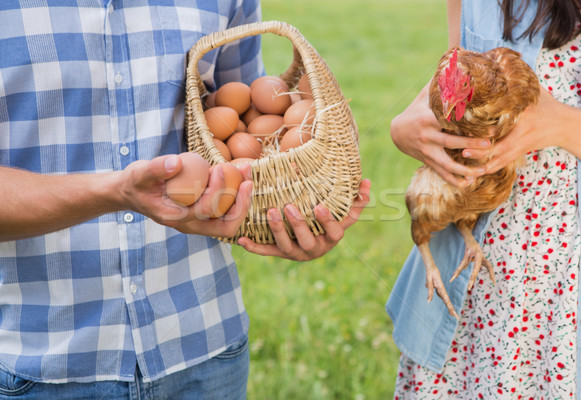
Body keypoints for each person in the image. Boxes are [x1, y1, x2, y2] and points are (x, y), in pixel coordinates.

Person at [0, 1, 370, 399]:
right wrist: (114, 192)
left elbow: (246, 120)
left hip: (207, 349)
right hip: (38, 365)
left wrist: (289, 216)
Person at [387, 0, 581, 398]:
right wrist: (403, 129)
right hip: (482, 293)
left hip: (577, 300)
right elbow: (445, 83)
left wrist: (564, 125)